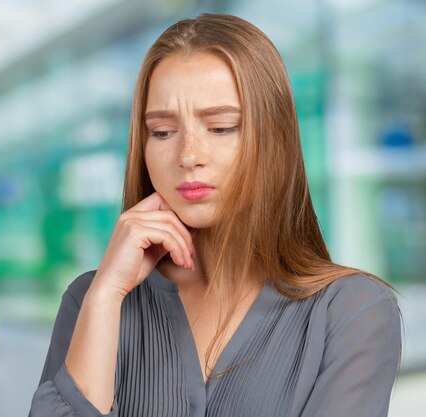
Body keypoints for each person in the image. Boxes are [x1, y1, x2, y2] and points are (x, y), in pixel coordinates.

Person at [28, 13, 403, 417]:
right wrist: (104, 298)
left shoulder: (350, 312)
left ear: (274, 139)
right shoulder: (92, 300)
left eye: (222, 127)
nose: (189, 156)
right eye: (162, 132)